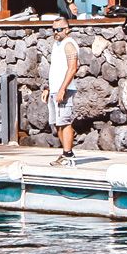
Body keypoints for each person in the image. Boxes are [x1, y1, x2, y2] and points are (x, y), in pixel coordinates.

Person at [45, 16, 81, 166]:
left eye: (59, 30)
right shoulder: (57, 45)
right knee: (56, 123)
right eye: (53, 30)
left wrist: (62, 89)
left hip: (64, 90)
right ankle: (66, 153)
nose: (56, 33)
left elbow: (73, 67)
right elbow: (55, 69)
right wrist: (48, 88)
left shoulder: (69, 44)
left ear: (67, 29)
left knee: (64, 122)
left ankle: (68, 155)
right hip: (55, 89)